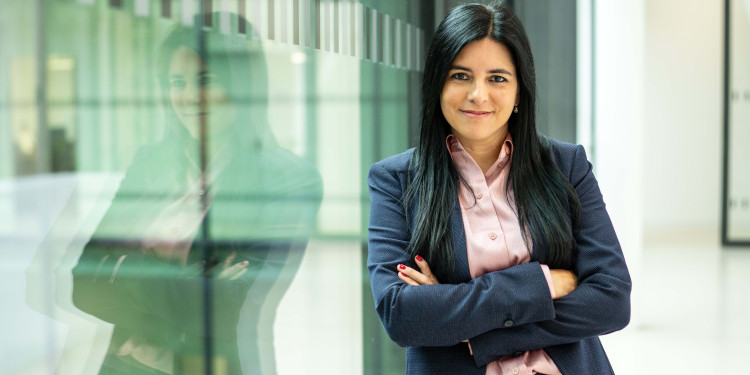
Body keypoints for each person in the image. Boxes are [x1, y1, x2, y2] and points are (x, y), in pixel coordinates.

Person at [367, 3, 631, 375]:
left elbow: (612, 300)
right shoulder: (396, 180)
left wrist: (471, 325)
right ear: (437, 84)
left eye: (497, 78)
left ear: (520, 90)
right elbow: (401, 315)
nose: (478, 94)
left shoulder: (566, 166)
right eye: (460, 76)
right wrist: (545, 282)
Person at [71, 14, 322, 375]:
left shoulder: (287, 179)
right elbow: (82, 282)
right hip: (123, 366)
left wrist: (122, 271)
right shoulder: (150, 162)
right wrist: (191, 287)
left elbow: (229, 312)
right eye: (177, 81)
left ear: (241, 83)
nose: (188, 96)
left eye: (205, 80)